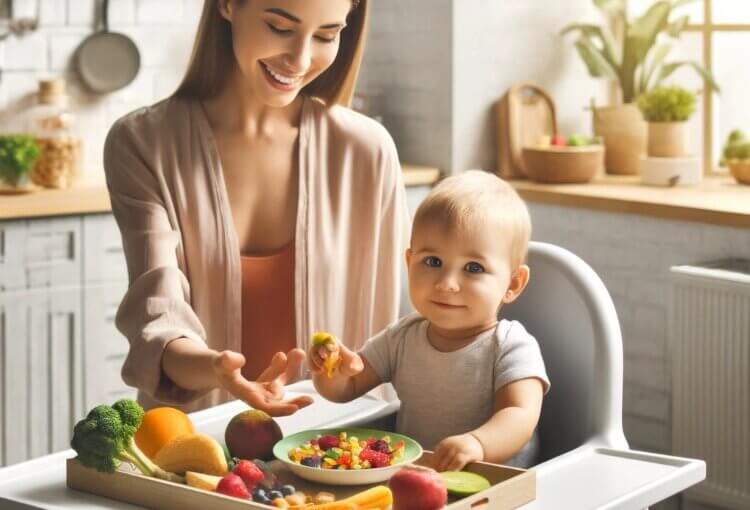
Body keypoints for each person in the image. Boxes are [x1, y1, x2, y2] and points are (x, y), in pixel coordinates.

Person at [103, 0, 409, 415]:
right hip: (194, 451)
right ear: (227, 5)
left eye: (326, 35)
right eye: (280, 27)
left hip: (335, 451)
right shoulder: (144, 144)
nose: (301, 59)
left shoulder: (367, 151)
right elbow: (158, 319)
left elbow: (396, 332)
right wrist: (218, 370)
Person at [308, 170, 550, 470]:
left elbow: (520, 413)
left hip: (494, 486)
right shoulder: (401, 337)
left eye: (473, 268)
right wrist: (332, 373)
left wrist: (478, 444)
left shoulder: (511, 345)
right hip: (415, 481)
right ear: (410, 264)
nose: (447, 283)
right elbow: (347, 388)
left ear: (513, 284)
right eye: (433, 262)